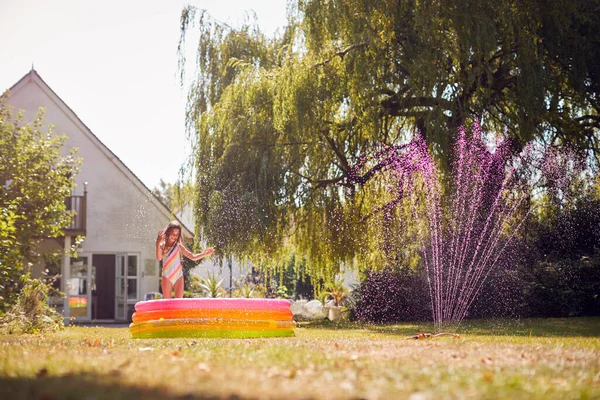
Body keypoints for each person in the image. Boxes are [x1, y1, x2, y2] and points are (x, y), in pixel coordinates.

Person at [155, 221, 214, 299]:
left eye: (177, 234)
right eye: (173, 234)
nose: (174, 236)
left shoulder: (179, 246)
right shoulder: (163, 245)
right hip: (167, 275)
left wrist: (204, 254)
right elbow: (159, 257)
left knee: (179, 302)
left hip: (178, 275)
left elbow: (192, 257)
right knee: (167, 302)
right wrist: (158, 242)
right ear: (168, 232)